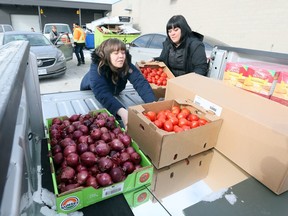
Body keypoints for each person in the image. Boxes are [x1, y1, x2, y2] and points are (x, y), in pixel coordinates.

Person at [80, 38, 156, 128]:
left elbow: (140, 82)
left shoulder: (126, 64)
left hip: (114, 91)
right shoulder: (97, 67)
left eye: (123, 53)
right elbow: (101, 92)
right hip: (89, 92)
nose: (121, 56)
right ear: (107, 55)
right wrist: (122, 112)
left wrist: (153, 104)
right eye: (116, 53)